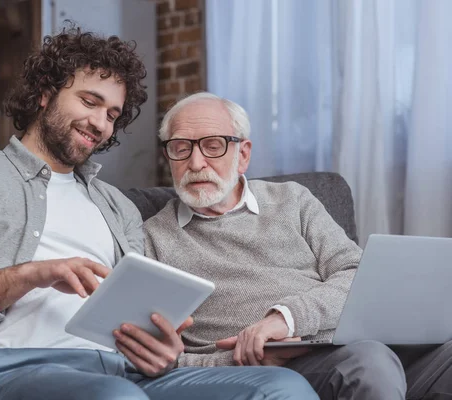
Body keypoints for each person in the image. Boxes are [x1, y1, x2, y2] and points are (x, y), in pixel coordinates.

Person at [0, 29, 317, 400]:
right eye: (90, 101)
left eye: (112, 115)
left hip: (123, 373)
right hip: (5, 370)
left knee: (283, 387)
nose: (100, 123)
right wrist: (30, 275)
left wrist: (163, 349)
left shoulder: (116, 206)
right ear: (45, 93)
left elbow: (142, 327)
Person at [143, 91, 452, 400]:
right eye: (180, 148)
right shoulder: (152, 238)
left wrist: (286, 318)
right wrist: (250, 357)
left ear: (243, 155)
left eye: (213, 146)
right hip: (296, 368)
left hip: (346, 341)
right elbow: (160, 358)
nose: (196, 162)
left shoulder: (293, 199)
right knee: (369, 364)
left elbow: (357, 274)